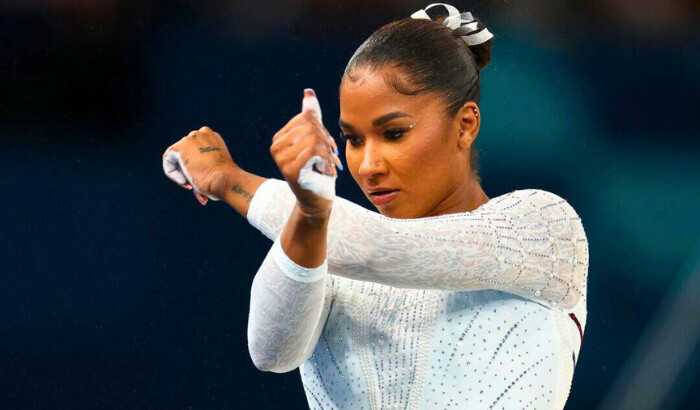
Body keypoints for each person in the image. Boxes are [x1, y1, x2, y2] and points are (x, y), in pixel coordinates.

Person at [162, 3, 589, 409]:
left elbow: (380, 247)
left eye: (395, 133)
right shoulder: (327, 246)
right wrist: (308, 216)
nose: (368, 166)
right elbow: (271, 350)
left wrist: (231, 179)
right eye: (353, 139)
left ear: (465, 124)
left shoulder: (544, 229)